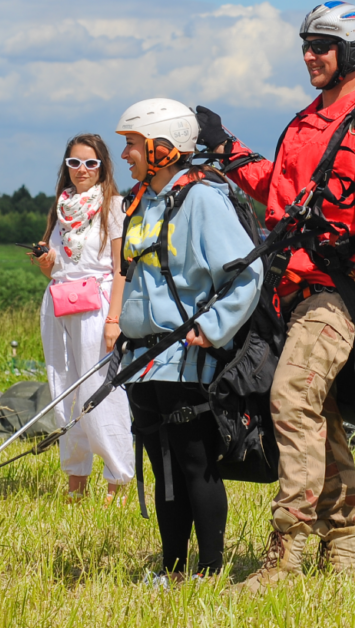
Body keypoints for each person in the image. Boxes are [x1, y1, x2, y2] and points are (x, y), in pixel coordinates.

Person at [196, 0, 355, 591]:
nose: (309, 56)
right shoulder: (304, 121)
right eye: (305, 45)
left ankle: (287, 554)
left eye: (321, 45)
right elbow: (281, 192)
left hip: (336, 294)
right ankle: (342, 551)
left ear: (352, 51)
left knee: (292, 397)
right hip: (289, 289)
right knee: (318, 415)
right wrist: (227, 150)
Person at [113, 98, 263, 582]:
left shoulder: (202, 200)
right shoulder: (141, 202)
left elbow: (247, 272)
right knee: (162, 467)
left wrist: (213, 326)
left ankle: (210, 570)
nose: (126, 155)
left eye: (132, 145)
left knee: (195, 463)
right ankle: (172, 568)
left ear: (163, 148)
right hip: (143, 358)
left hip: (187, 358)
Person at [34, 134, 134, 504]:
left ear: (103, 167)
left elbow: (121, 266)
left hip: (98, 302)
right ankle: (76, 479)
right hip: (60, 301)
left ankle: (117, 480)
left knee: (101, 392)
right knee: (64, 390)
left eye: (90, 163)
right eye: (74, 163)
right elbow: (57, 269)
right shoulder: (62, 208)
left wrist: (115, 317)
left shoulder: (114, 206)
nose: (81, 171)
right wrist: (47, 262)